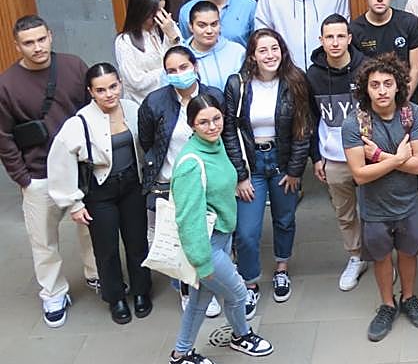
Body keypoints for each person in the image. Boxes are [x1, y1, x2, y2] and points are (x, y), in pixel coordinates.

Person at [0, 14, 97, 327]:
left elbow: (91, 111)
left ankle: (97, 275)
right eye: (28, 43)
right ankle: (53, 292)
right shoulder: (7, 84)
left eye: (41, 39)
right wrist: (22, 178)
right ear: (17, 46)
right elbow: (3, 136)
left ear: (51, 36)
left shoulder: (73, 66)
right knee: (43, 239)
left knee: (91, 229)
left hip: (79, 169)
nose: (37, 47)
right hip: (38, 173)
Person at [169, 93, 274, 363]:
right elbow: (188, 219)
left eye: (217, 119)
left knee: (199, 301)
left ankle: (181, 354)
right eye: (203, 122)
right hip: (206, 247)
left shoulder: (216, 147)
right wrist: (202, 264)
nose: (212, 126)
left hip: (221, 238)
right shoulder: (191, 162)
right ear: (192, 124)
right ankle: (242, 336)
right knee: (238, 294)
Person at [48, 63, 151, 325]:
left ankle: (141, 290)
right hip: (100, 190)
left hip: (131, 184)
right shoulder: (79, 121)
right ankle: (115, 297)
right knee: (105, 248)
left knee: (137, 241)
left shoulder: (131, 109)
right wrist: (74, 202)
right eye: (101, 90)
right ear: (91, 92)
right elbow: (60, 162)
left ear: (120, 84)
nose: (109, 94)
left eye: (113, 86)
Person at [343, 54, 418, 341]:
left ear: (398, 86)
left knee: (407, 252)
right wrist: (397, 160)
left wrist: (379, 157)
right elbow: (359, 174)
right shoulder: (354, 124)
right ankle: (387, 304)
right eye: (374, 85)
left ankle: (409, 298)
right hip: (374, 208)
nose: (381, 90)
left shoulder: (414, 115)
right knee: (381, 257)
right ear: (365, 89)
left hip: (409, 204)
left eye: (387, 83)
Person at [223, 28, 313, 310]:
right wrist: (240, 174)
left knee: (284, 219)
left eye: (274, 48)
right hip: (252, 164)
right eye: (263, 50)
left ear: (282, 50)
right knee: (247, 232)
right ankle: (249, 282)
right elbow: (229, 130)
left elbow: (302, 129)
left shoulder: (295, 81)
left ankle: (282, 269)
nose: (270, 55)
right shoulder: (237, 85)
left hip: (283, 161)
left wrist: (296, 170)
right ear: (252, 55)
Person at [138, 46, 223, 317]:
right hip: (169, 183)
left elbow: (225, 134)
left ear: (195, 66)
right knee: (178, 241)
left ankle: (206, 289)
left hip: (208, 182)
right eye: (171, 71)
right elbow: (148, 141)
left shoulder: (214, 96)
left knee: (206, 239)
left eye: (183, 68)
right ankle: (185, 290)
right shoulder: (154, 102)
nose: (179, 75)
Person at [307, 14, 369, 292]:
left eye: (340, 36)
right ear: (321, 40)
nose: (335, 42)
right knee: (345, 213)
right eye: (329, 37)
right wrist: (316, 157)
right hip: (333, 156)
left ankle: (380, 257)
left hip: (368, 154)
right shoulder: (313, 75)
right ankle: (356, 257)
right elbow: (308, 117)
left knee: (374, 211)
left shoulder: (366, 68)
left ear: (349, 38)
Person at [351, 0, 418, 98]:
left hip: (407, 96)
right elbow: (358, 74)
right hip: (373, 100)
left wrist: (402, 100)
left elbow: (416, 68)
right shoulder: (354, 29)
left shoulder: (408, 22)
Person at [115, 0, 183, 106]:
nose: (159, 16)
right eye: (154, 11)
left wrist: (173, 36)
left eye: (162, 10)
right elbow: (135, 81)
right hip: (144, 104)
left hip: (175, 100)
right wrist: (170, 72)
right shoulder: (125, 41)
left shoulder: (168, 26)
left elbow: (186, 60)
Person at [185, 2, 246, 92]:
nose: (209, 31)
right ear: (191, 26)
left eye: (214, 24)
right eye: (202, 25)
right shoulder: (181, 56)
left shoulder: (237, 52)